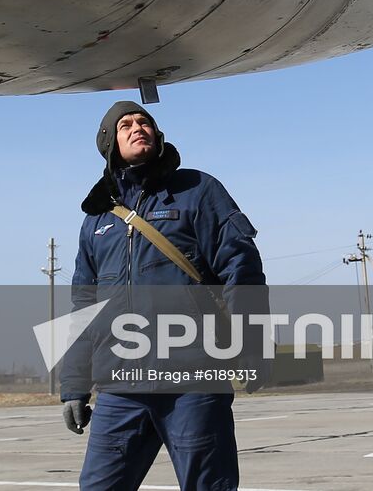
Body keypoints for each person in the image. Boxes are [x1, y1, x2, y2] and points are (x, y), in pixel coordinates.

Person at [61, 101, 266, 491]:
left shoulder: (197, 190)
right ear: (108, 143)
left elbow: (241, 271)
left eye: (144, 122)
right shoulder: (97, 221)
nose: (138, 127)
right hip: (120, 386)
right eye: (125, 125)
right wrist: (73, 385)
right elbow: (82, 309)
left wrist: (252, 343)